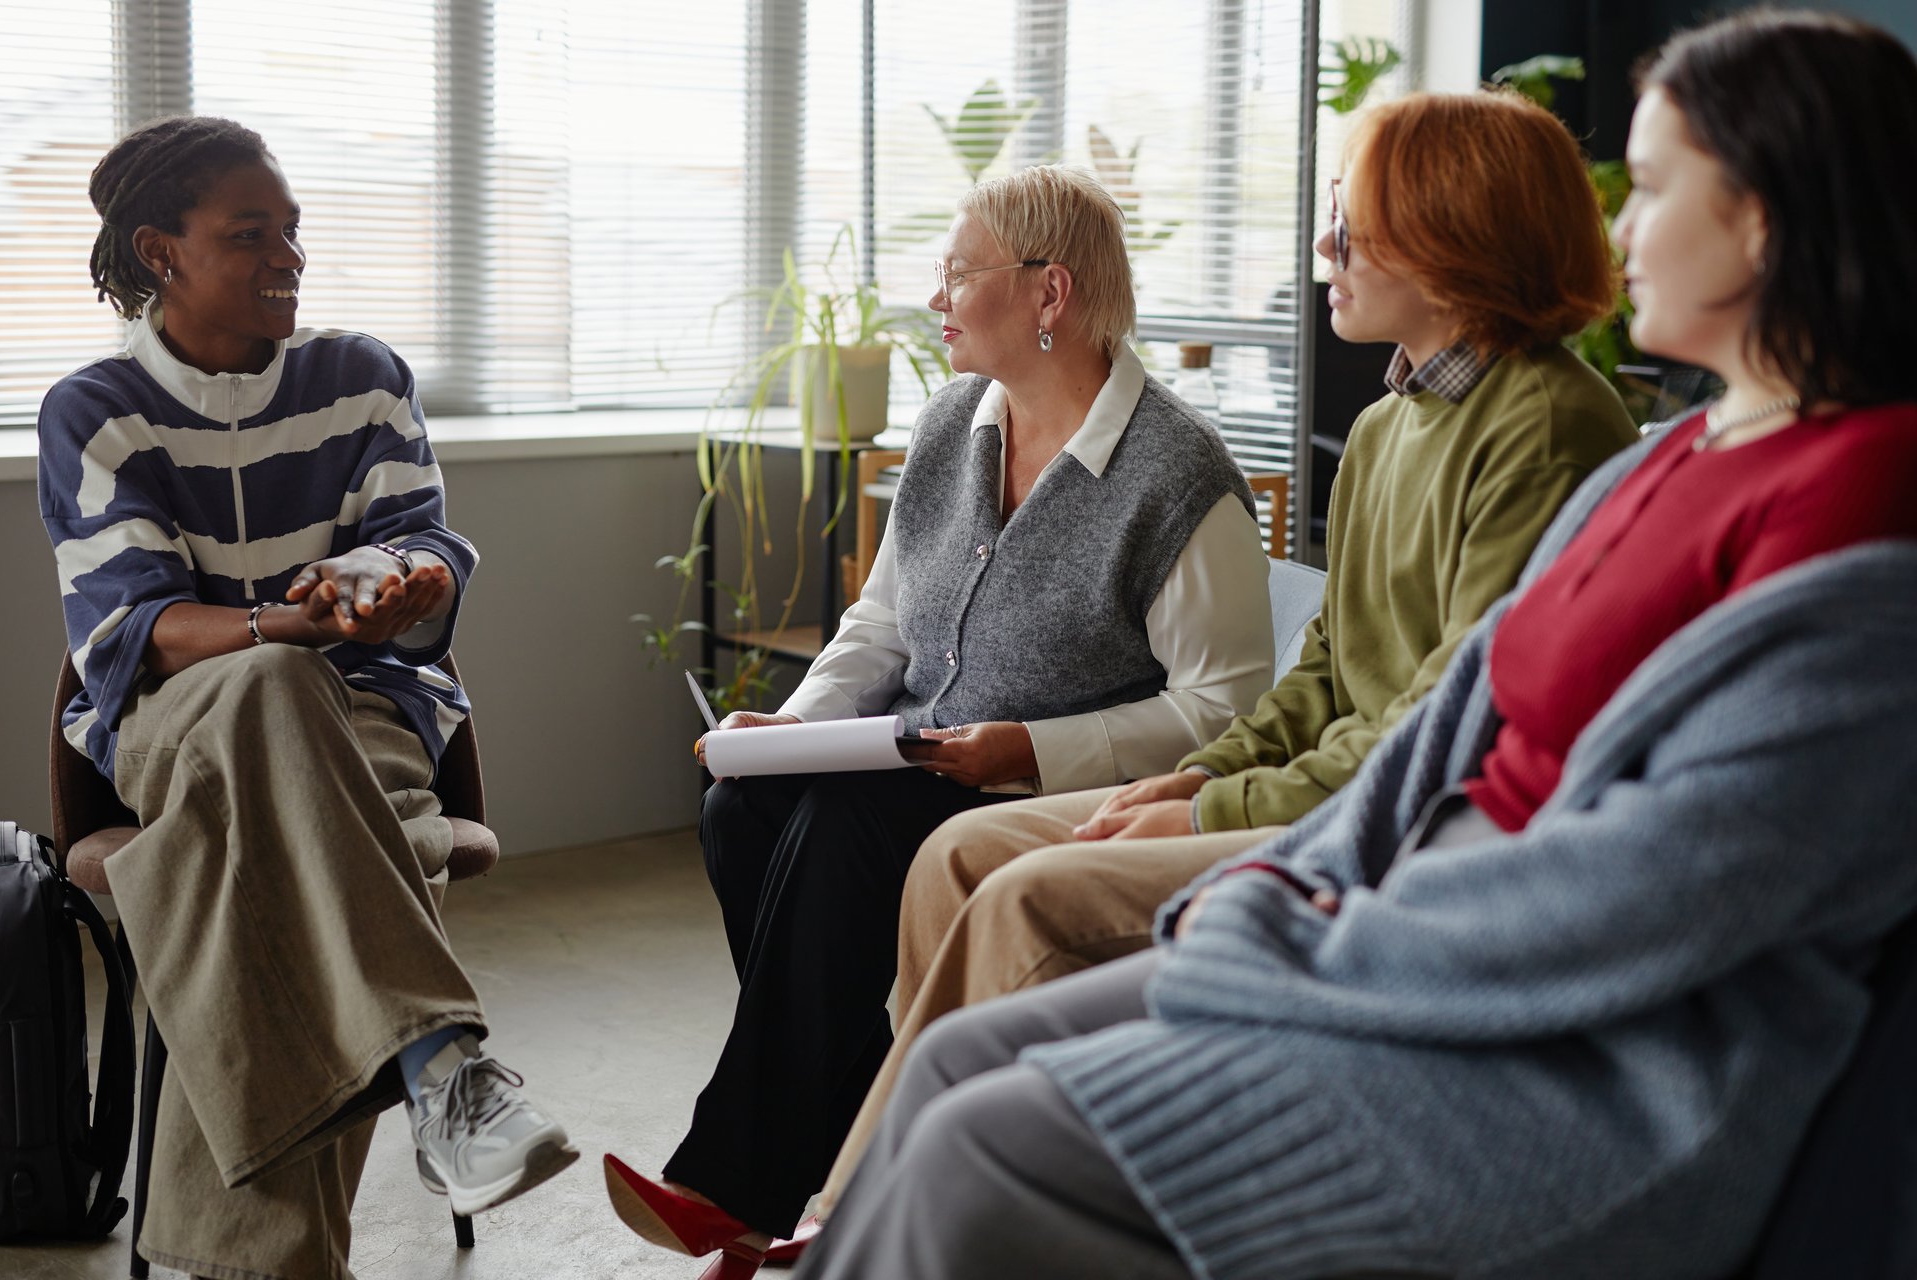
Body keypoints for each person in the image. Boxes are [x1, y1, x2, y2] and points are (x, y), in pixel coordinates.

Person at [793, 11, 1917, 1278]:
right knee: (950, 1055)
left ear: (1763, 221)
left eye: (1652, 189)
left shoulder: (1848, 520)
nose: (1617, 229)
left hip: (1520, 1019)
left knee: (978, 1141)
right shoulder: (1669, 459)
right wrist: (1250, 832)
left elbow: (1646, 873)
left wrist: (1295, 914)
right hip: (1391, 886)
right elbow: (1433, 713)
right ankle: (825, 1231)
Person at [808, 87, 1641, 1230]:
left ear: (1455, 239)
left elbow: (1449, 720)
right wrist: (1194, 779)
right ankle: (878, 1205)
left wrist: (1217, 803)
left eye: (1357, 223)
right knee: (955, 854)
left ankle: (853, 1218)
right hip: (1312, 779)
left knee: (1020, 896)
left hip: (1395, 817)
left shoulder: (1544, 425)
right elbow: (1328, 671)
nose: (1323, 247)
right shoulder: (1395, 421)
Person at [602, 165, 1274, 1268]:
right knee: (741, 811)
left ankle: (738, 1184)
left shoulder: (1175, 473)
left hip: (1050, 782)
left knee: (841, 834)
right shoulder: (954, 418)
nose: (937, 297)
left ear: (1049, 294)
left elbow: (1224, 708)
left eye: (959, 273)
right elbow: (884, 616)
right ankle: (864, 1135)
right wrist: (797, 725)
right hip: (914, 753)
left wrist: (1029, 749)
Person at [37, 116, 575, 1279]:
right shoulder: (94, 409)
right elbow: (132, 627)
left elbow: (416, 541)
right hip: (174, 726)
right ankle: (442, 1065)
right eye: (251, 235)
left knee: (245, 876)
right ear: (160, 252)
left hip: (366, 714)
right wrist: (283, 624)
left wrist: (404, 580)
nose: (289, 256)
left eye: (293, 231)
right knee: (273, 685)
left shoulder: (362, 377)